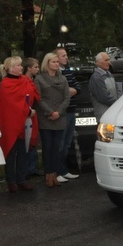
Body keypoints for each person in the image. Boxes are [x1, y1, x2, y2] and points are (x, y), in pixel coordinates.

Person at [0, 56, 38, 193]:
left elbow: (33, 95)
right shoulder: (5, 84)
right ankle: (11, 181)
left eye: (21, 65)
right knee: (10, 153)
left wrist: (31, 108)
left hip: (24, 122)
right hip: (10, 124)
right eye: (19, 66)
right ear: (10, 68)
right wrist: (27, 111)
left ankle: (21, 179)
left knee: (23, 152)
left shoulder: (25, 80)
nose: (21, 68)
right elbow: (11, 104)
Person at [35, 52, 70, 188]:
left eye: (57, 62)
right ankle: (48, 174)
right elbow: (38, 98)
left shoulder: (63, 79)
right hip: (46, 117)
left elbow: (67, 97)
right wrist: (50, 112)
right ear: (47, 63)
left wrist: (58, 112)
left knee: (57, 147)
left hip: (60, 117)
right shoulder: (39, 79)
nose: (56, 64)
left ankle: (55, 174)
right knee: (47, 146)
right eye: (53, 62)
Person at [55, 47, 80, 183]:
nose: (66, 58)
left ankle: (64, 170)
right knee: (60, 142)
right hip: (62, 112)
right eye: (63, 55)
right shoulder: (55, 74)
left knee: (67, 143)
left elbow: (78, 87)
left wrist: (73, 90)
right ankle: (58, 170)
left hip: (71, 110)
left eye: (66, 55)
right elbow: (60, 93)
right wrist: (68, 91)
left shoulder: (68, 73)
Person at [89, 52, 122, 123]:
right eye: (106, 60)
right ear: (99, 63)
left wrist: (119, 101)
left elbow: (117, 89)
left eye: (109, 60)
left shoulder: (109, 74)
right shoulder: (96, 77)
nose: (109, 62)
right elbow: (103, 96)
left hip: (112, 112)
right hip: (103, 114)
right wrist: (117, 104)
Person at [23, 57, 41, 178]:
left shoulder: (32, 80)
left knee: (32, 140)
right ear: (28, 68)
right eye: (35, 67)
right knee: (27, 141)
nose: (38, 69)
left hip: (33, 114)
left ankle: (32, 167)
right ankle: (28, 169)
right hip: (27, 115)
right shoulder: (24, 81)